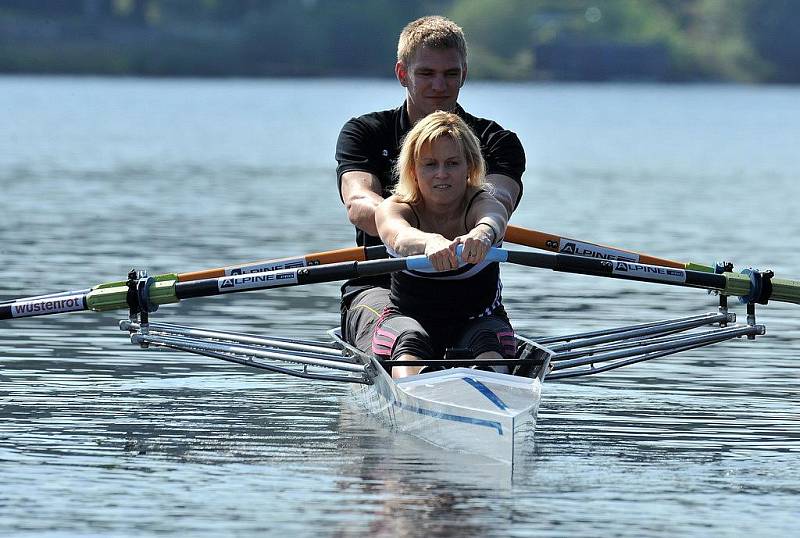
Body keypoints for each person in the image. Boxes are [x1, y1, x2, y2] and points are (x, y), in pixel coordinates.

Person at [335, 15, 525, 354]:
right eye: (426, 73)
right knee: (405, 339)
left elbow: (499, 197)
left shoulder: (497, 141)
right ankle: (405, 362)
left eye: (450, 74)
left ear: (464, 75)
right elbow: (359, 202)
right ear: (402, 74)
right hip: (380, 284)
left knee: (488, 343)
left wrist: (482, 229)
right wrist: (413, 230)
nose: (439, 86)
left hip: (469, 292)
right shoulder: (364, 133)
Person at [372, 111, 514, 378]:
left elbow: (493, 218)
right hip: (407, 318)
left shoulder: (481, 203)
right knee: (409, 343)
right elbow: (399, 236)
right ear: (413, 171)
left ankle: (495, 396)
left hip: (478, 319)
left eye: (452, 163)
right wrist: (430, 242)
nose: (442, 174)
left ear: (469, 167)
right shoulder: (395, 208)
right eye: (430, 164)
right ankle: (411, 399)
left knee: (487, 344)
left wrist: (482, 235)